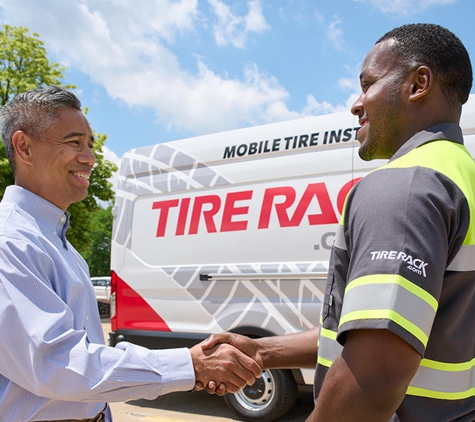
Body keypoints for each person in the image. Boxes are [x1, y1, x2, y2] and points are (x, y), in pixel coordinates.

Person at [200, 23, 475, 422]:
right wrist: (264, 351)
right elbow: (384, 331)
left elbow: (373, 376)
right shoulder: (461, 177)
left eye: (368, 84)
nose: (357, 103)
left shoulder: (405, 185)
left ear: (418, 84)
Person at [0, 85, 261, 422]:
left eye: (90, 145)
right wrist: (190, 365)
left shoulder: (58, 246)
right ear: (24, 147)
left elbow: (88, 361)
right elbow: (57, 365)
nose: (90, 158)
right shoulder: (10, 242)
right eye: (74, 142)